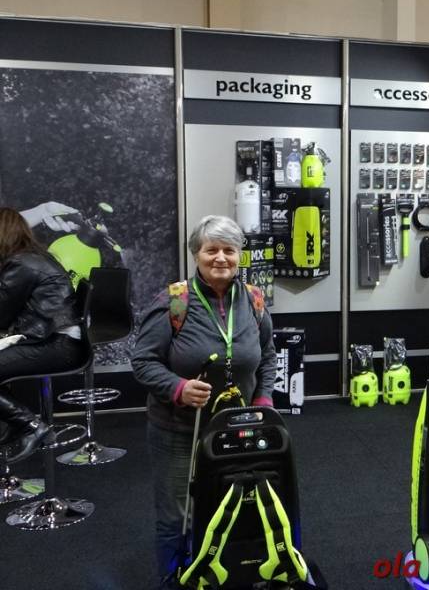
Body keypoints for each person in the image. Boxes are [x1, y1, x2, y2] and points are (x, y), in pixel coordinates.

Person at [131, 215, 277, 583]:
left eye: (229, 250)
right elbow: (143, 362)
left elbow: (268, 356)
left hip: (235, 430)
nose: (221, 258)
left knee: (228, 508)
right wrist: (177, 388)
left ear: (240, 255)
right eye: (211, 250)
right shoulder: (174, 302)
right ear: (196, 254)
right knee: (176, 518)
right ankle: (173, 579)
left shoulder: (254, 300)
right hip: (178, 431)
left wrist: (263, 399)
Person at [0, 208, 86, 463]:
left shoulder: (21, 264)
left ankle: (30, 425)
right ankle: (19, 423)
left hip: (57, 346)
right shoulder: (32, 257)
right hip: (60, 342)